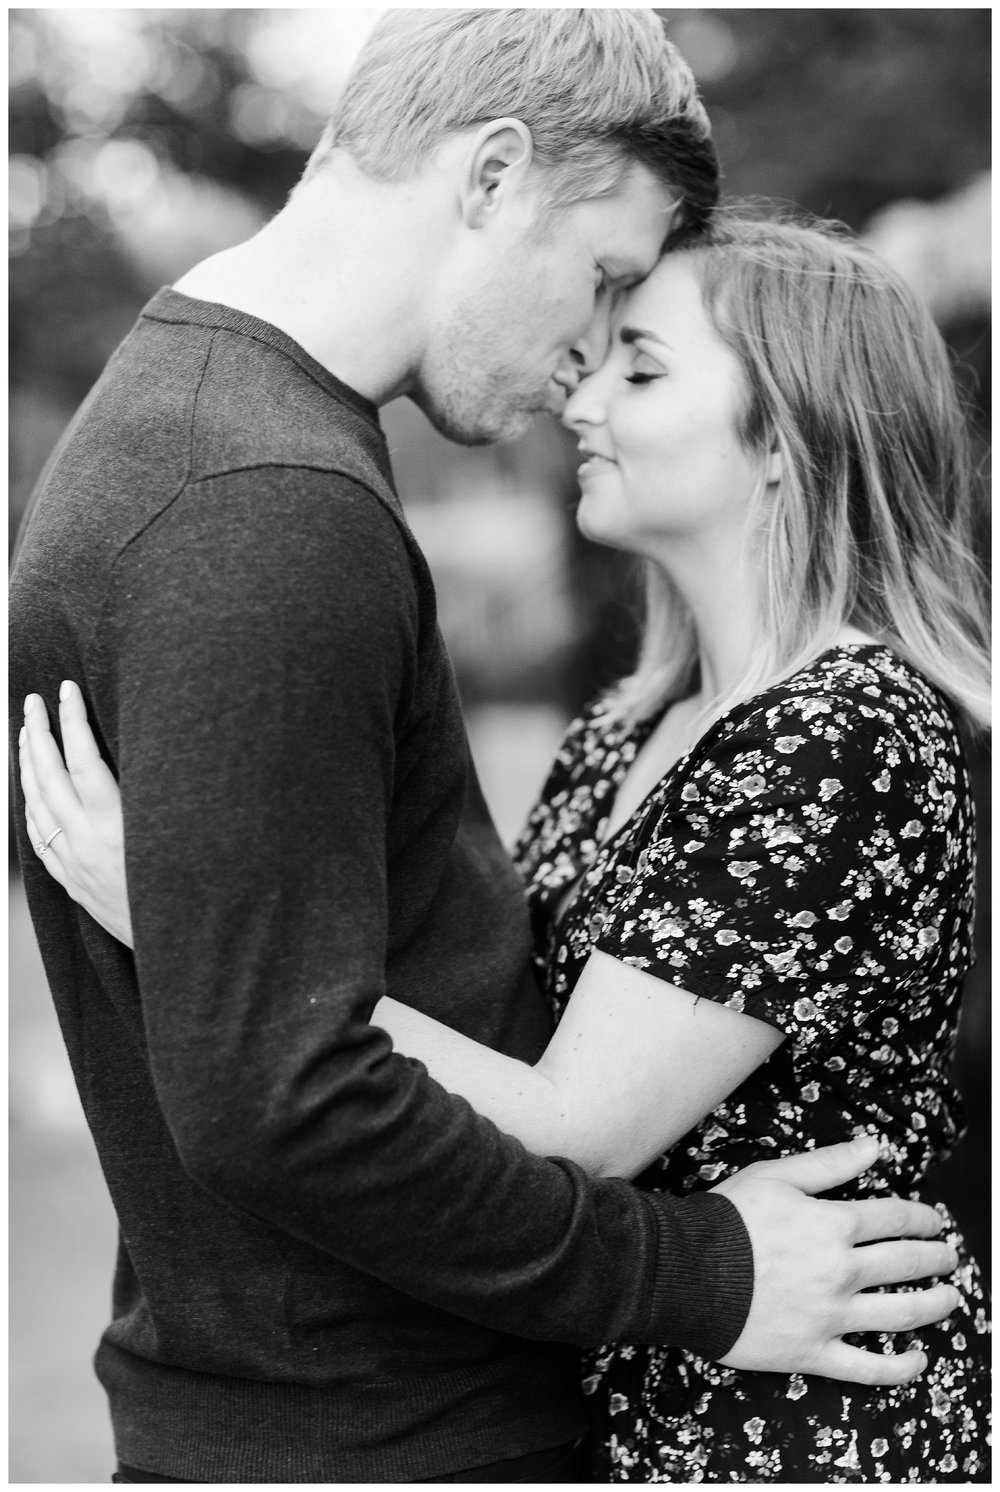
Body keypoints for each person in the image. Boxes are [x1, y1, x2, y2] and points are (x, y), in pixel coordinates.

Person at [9, 11, 962, 1486]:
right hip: (360, 1430)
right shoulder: (261, 499)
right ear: (494, 175)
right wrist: (698, 1276)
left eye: (638, 352)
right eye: (598, 287)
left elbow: (425, 1038)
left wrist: (197, 933)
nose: (577, 372)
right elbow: (288, 1087)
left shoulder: (246, 458)